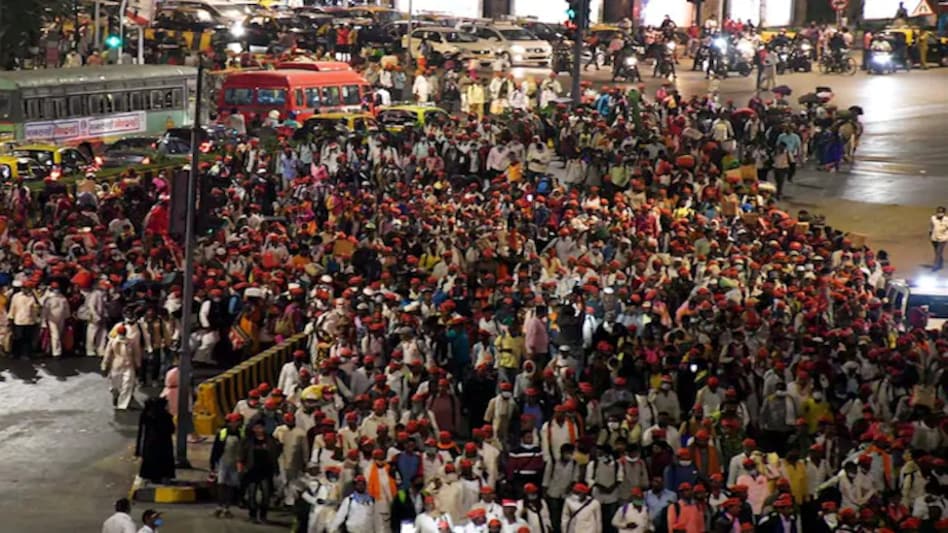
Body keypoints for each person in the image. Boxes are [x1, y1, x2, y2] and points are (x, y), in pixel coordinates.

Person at [240, 419, 281, 523]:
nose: (259, 430)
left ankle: (263, 516)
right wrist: (241, 467)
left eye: (261, 427)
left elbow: (275, 454)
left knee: (266, 495)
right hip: (252, 471)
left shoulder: (270, 440)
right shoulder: (248, 440)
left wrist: (276, 469)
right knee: (252, 495)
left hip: (265, 471)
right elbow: (241, 454)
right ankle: (252, 515)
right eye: (256, 427)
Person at [930, 206, 948, 271]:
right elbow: (931, 227)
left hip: (943, 239)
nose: (939, 213)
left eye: (941, 212)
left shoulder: (947, 220)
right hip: (934, 238)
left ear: (944, 213)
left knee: (938, 252)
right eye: (938, 212)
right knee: (937, 252)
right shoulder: (933, 218)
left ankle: (935, 265)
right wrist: (930, 235)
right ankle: (941, 262)